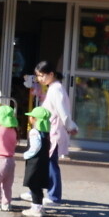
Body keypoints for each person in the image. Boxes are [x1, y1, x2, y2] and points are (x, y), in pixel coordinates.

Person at [33, 61, 78, 206]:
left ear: (51, 74)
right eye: (38, 76)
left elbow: (62, 111)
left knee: (50, 164)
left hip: (54, 132)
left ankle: (54, 197)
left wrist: (70, 126)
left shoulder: (56, 89)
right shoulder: (53, 88)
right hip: (50, 130)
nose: (40, 79)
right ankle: (36, 191)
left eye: (42, 75)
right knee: (44, 163)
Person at [21, 106, 53, 217]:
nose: (30, 118)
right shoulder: (46, 133)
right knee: (38, 185)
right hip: (43, 161)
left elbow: (35, 147)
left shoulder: (34, 132)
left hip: (34, 162)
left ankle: (36, 208)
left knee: (33, 184)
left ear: (35, 119)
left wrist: (26, 155)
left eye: (31, 116)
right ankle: (39, 206)